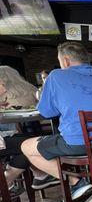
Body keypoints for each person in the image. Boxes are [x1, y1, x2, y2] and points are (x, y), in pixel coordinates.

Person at [21, 42, 92, 199]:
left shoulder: (56, 76)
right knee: (62, 140)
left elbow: (46, 112)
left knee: (26, 146)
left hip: (81, 144)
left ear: (66, 61)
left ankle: (76, 182)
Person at [0, 66, 57, 194]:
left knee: (27, 145)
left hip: (7, 135)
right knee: (29, 144)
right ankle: (43, 175)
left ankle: (38, 175)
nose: (3, 85)